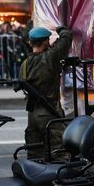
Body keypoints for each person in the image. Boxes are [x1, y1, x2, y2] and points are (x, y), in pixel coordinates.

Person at [17, 26, 66, 157]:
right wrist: (59, 28)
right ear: (45, 42)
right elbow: (67, 37)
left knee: (34, 154)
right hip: (49, 112)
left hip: (32, 114)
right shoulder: (50, 57)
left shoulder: (25, 64)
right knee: (58, 153)